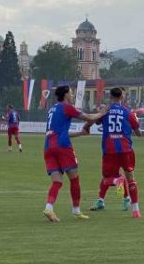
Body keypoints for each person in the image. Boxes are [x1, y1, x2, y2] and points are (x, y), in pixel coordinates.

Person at [42, 85, 101, 223]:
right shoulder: (67, 107)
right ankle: (76, 211)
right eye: (71, 92)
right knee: (74, 179)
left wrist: (80, 133)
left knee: (57, 182)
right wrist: (102, 113)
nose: (73, 94)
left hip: (48, 147)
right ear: (66, 94)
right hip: (62, 147)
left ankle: (49, 208)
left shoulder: (52, 109)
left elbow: (60, 133)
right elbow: (88, 117)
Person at [89, 87, 143, 218]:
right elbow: (139, 133)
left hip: (110, 149)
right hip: (126, 150)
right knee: (131, 179)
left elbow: (96, 121)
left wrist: (100, 113)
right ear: (122, 97)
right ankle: (136, 211)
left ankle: (117, 184)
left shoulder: (105, 111)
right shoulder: (128, 112)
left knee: (108, 178)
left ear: (110, 96)